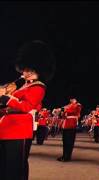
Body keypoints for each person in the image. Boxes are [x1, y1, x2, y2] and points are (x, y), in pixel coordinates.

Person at [0, 40, 55, 180]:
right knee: (5, 166)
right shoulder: (22, 86)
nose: (25, 72)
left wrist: (6, 98)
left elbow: (26, 106)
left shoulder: (38, 87)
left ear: (37, 69)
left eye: (29, 69)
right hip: (6, 128)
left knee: (16, 168)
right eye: (24, 68)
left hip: (19, 130)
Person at [57, 98, 82, 162]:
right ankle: (64, 155)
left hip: (71, 124)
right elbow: (62, 115)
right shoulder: (67, 105)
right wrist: (60, 112)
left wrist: (63, 109)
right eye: (71, 99)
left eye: (73, 99)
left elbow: (73, 110)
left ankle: (67, 157)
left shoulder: (77, 105)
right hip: (65, 124)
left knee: (69, 141)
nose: (71, 100)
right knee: (65, 141)